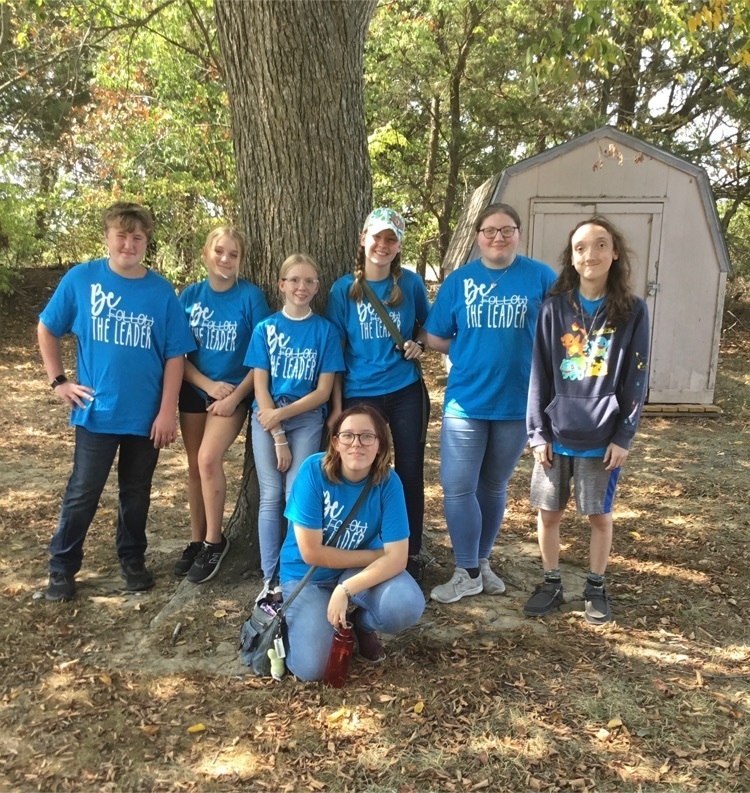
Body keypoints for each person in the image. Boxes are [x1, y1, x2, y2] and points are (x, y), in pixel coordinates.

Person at [39, 201, 197, 601]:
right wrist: (59, 381)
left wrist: (167, 411)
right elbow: (48, 327)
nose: (129, 244)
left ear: (146, 241)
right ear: (107, 237)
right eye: (122, 236)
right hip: (96, 412)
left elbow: (175, 355)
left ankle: (132, 560)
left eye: (138, 237)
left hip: (146, 417)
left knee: (136, 492)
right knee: (83, 491)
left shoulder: (161, 291)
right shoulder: (81, 280)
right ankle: (62, 567)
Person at [424, 202, 557, 603]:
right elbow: (434, 336)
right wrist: (466, 347)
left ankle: (480, 564)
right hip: (466, 400)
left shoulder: (541, 277)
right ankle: (465, 570)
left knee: (493, 484)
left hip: (518, 402)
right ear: (478, 236)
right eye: (489, 230)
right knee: (457, 486)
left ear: (518, 233)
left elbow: (561, 332)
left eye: (506, 229)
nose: (498, 237)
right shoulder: (460, 281)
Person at [524, 217, 649, 625]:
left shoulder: (632, 311)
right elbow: (539, 373)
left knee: (598, 515)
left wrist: (624, 435)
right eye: (580, 247)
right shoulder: (554, 308)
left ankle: (596, 585)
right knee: (549, 514)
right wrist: (537, 432)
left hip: (602, 437)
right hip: (555, 434)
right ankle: (552, 581)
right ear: (572, 258)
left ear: (614, 253)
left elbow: (637, 376)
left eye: (600, 245)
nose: (590, 254)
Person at [278, 404, 425, 681]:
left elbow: (398, 559)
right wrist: (377, 555)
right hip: (306, 576)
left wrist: (346, 589)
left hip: (352, 575)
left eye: (367, 436)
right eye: (348, 436)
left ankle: (362, 623)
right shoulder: (313, 471)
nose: (356, 444)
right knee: (313, 669)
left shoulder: (388, 482)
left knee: (405, 604)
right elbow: (311, 553)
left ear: (380, 445)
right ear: (335, 442)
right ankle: (297, 615)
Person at [326, 208, 431, 582]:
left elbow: (427, 329)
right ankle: (365, 549)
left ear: (399, 245)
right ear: (363, 239)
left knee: (409, 472)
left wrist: (418, 342)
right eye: (377, 237)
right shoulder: (343, 290)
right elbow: (335, 351)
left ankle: (410, 553)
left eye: (391, 239)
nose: (382, 246)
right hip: (359, 394)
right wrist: (337, 407)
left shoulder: (412, 284)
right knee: (359, 471)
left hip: (404, 390)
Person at [174, 226, 270, 584]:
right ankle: (197, 541)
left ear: (241, 260)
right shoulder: (190, 296)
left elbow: (262, 354)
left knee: (208, 459)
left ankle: (216, 541)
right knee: (194, 468)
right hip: (196, 388)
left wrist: (234, 396)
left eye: (233, 254)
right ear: (206, 254)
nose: (225, 260)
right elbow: (177, 354)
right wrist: (207, 385)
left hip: (235, 393)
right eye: (219, 252)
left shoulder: (250, 297)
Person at [244, 253, 344, 594]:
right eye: (295, 280)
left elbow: (323, 392)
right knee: (271, 495)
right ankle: (269, 578)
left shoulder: (325, 332)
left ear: (317, 287)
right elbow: (260, 385)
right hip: (266, 419)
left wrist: (283, 420)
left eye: (309, 281)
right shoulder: (265, 329)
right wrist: (276, 434)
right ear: (281, 285)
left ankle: (291, 572)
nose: (302, 287)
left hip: (305, 419)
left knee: (294, 495)